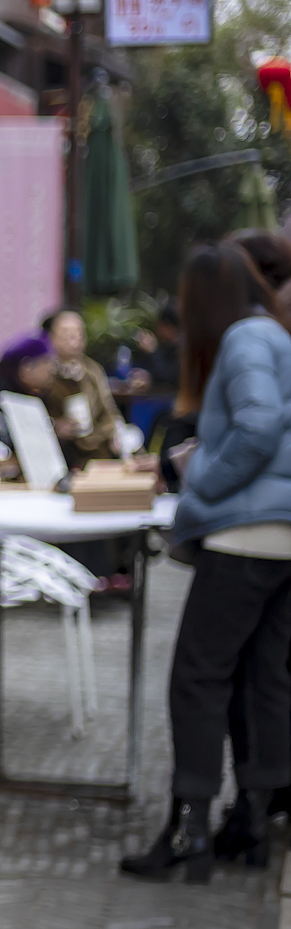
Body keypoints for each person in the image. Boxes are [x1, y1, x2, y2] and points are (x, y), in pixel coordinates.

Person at [122, 242, 291, 882]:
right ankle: (251, 820)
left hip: (245, 537)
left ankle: (189, 827)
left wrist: (204, 486)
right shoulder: (275, 334)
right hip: (282, 536)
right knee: (263, 676)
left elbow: (255, 428)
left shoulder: (246, 339)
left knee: (198, 676)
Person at [38, 309, 125, 469]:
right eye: (66, 334)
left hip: (98, 453)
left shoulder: (92, 370)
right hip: (59, 455)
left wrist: (114, 433)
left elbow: (109, 410)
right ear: (49, 337)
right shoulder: (42, 372)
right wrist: (54, 426)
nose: (74, 339)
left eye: (79, 333)